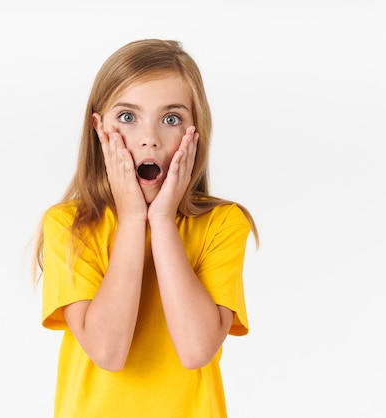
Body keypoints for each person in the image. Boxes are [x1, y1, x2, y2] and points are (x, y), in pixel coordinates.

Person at [32, 38, 259, 418]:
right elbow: (107, 351)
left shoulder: (222, 224)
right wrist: (134, 219)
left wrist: (162, 221)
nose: (149, 137)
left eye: (171, 119)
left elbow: (196, 349)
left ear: (195, 132)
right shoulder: (69, 226)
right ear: (98, 129)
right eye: (127, 117)